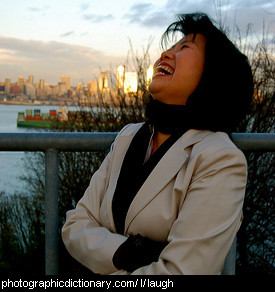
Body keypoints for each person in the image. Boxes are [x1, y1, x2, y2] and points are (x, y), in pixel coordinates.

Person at [62, 13, 253, 275]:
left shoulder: (219, 158)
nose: (165, 54)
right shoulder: (128, 137)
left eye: (184, 47)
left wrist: (102, 251)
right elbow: (74, 224)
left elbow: (181, 272)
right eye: (170, 47)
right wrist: (132, 252)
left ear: (213, 73)